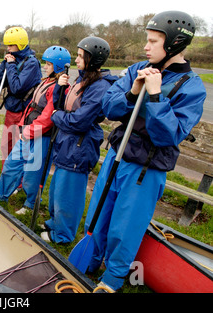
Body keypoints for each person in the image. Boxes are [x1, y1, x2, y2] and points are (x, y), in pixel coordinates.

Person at [84, 11, 206, 292]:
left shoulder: (191, 87)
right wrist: (133, 90)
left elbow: (170, 135)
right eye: (147, 40)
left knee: (124, 230)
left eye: (153, 41)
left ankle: (110, 280)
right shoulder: (136, 68)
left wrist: (154, 95)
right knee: (98, 216)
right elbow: (109, 109)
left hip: (146, 169)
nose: (146, 47)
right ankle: (86, 263)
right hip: (116, 158)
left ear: (174, 44)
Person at [40, 37, 118, 244]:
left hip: (78, 147)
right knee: (57, 188)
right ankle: (55, 223)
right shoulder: (82, 79)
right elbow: (63, 105)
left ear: (93, 59)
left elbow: (78, 121)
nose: (76, 59)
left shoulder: (99, 87)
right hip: (66, 143)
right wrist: (59, 87)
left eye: (81, 56)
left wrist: (56, 115)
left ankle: (63, 236)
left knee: (69, 196)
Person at [0, 46, 71, 214]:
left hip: (41, 137)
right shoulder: (45, 81)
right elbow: (31, 107)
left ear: (58, 67)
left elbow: (48, 115)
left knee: (32, 174)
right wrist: (22, 126)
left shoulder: (59, 88)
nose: (45, 66)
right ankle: (1, 195)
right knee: (11, 165)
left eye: (49, 64)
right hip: (27, 132)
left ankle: (30, 203)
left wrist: (28, 132)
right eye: (45, 63)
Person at [0, 26, 42, 187]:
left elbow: (18, 87)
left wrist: (11, 66)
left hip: (24, 111)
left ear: (20, 45)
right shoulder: (11, 59)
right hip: (11, 109)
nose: (8, 49)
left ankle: (18, 183)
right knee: (6, 145)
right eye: (7, 45)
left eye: (11, 46)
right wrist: (4, 65)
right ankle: (5, 177)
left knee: (19, 149)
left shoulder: (31, 63)